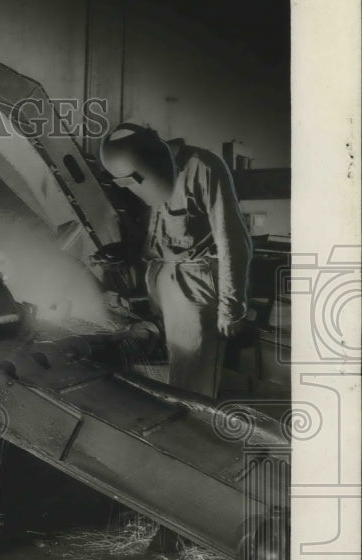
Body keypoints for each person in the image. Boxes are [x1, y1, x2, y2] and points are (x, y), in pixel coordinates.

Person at [99, 122, 252, 399]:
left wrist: (231, 307)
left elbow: (233, 240)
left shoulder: (203, 168)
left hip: (194, 281)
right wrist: (123, 253)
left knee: (192, 380)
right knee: (172, 368)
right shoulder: (147, 169)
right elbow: (155, 233)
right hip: (160, 278)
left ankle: (190, 433)